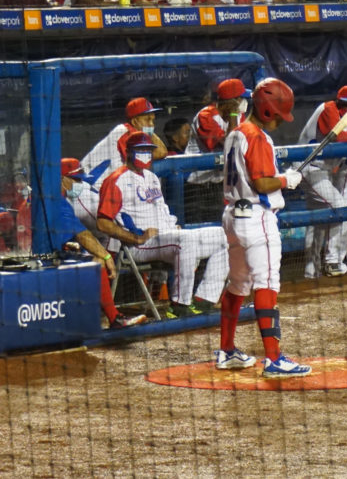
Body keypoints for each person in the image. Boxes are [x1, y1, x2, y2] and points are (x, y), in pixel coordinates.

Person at [216, 78, 311, 377]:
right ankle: (274, 359)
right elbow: (261, 184)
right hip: (256, 218)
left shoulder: (236, 132)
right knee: (266, 283)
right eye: (280, 115)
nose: (281, 122)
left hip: (233, 216)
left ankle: (227, 350)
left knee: (237, 284)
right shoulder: (256, 136)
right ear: (269, 111)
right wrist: (286, 180)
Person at [97, 132, 230, 318]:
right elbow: (103, 223)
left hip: (168, 239)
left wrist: (172, 226)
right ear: (128, 153)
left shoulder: (151, 177)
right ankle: (178, 305)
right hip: (140, 245)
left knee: (224, 236)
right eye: (140, 150)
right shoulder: (115, 181)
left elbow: (161, 210)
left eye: (148, 150)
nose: (146, 154)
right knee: (185, 241)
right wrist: (136, 237)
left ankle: (204, 300)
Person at [297, 84, 347, 278]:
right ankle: (332, 261)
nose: (346, 108)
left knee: (318, 221)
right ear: (337, 100)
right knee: (340, 207)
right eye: (344, 103)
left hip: (325, 171)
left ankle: (311, 272)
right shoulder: (328, 109)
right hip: (308, 167)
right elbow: (339, 137)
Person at [58, 158, 146, 329]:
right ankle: (113, 319)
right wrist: (106, 256)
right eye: (75, 179)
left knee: (93, 258)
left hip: (55, 249)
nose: (79, 183)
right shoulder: (58, 202)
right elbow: (83, 235)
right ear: (62, 178)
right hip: (47, 256)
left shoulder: (57, 198)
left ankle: (111, 318)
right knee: (97, 263)